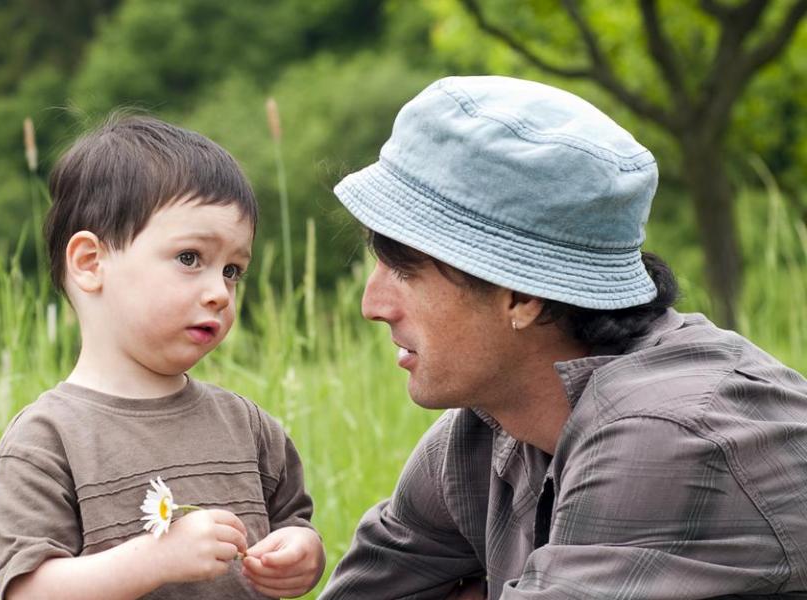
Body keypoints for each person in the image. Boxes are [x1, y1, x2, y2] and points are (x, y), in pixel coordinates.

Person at [320, 76, 807, 599]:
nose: (373, 305)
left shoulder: (668, 436)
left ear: (522, 296)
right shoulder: (485, 429)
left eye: (405, 270)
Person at [0, 116, 325, 600]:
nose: (219, 293)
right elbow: (31, 591)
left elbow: (292, 521)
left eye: (232, 270)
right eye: (190, 258)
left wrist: (302, 552)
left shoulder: (248, 427)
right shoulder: (45, 442)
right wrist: (156, 558)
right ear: (90, 262)